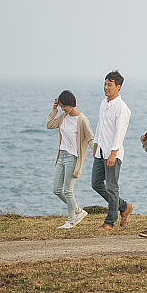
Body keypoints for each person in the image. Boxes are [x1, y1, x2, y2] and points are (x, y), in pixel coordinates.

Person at [91, 70, 134, 232]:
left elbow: (119, 132)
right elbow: (100, 125)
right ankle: (123, 206)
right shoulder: (104, 103)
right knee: (96, 184)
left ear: (118, 86)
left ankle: (109, 222)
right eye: (105, 84)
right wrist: (95, 144)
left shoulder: (122, 108)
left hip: (112, 153)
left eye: (109, 85)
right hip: (100, 151)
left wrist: (113, 153)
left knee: (111, 187)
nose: (106, 87)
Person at [46, 90, 93, 228]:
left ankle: (71, 221)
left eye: (64, 106)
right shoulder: (63, 116)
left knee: (68, 190)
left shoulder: (82, 119)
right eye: (61, 106)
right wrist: (54, 109)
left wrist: (97, 152)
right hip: (61, 156)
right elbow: (50, 125)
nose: (63, 109)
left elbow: (90, 138)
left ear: (71, 104)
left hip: (72, 157)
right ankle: (78, 211)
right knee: (56, 190)